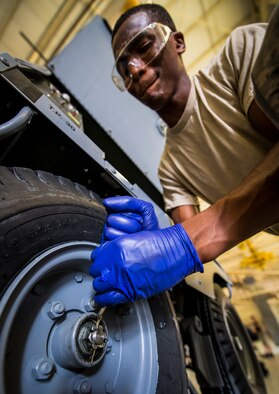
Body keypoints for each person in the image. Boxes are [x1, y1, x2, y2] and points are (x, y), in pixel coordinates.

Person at [89, 4, 279, 306]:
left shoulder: (238, 58)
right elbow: (192, 250)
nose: (135, 69)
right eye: (125, 68)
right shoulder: (170, 169)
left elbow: (194, 242)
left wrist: (181, 244)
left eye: (143, 46)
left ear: (177, 42)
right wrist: (156, 240)